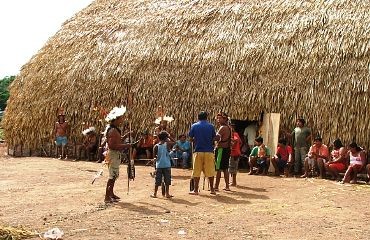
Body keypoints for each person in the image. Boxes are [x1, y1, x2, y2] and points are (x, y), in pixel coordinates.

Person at [104, 106, 131, 203]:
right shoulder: (113, 130)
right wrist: (127, 145)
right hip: (113, 154)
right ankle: (107, 197)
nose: (122, 120)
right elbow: (112, 145)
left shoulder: (115, 129)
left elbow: (117, 141)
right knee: (112, 176)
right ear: (116, 119)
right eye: (121, 118)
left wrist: (124, 137)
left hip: (115, 154)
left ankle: (111, 194)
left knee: (114, 175)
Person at [188, 111, 217, 195]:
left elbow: (190, 138)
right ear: (206, 117)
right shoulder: (211, 126)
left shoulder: (194, 126)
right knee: (210, 171)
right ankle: (212, 189)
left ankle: (196, 190)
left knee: (196, 171)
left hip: (198, 151)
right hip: (209, 151)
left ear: (198, 117)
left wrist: (196, 141)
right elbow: (214, 138)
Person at [151, 131, 173, 198]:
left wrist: (154, 161)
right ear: (166, 138)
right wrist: (169, 136)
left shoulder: (156, 146)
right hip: (167, 165)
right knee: (167, 180)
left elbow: (154, 157)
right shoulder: (167, 144)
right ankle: (167, 194)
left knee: (157, 181)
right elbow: (176, 142)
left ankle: (155, 193)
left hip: (159, 165)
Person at [214, 112, 232, 191]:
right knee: (225, 168)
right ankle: (227, 186)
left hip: (221, 149)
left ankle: (216, 186)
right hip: (226, 149)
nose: (218, 120)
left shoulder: (223, 128)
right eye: (217, 118)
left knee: (218, 168)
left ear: (224, 119)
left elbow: (216, 138)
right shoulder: (228, 127)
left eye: (220, 118)